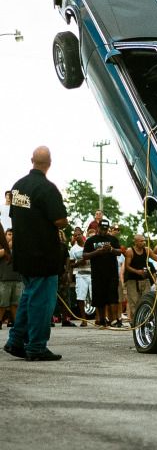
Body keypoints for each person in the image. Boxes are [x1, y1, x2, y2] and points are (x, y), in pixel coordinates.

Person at [4, 146, 68, 361]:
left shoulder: (17, 187)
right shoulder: (47, 188)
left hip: (23, 254)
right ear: (49, 163)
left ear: (32, 160)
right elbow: (60, 220)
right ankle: (37, 347)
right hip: (43, 255)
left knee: (28, 298)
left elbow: (15, 215)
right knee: (42, 303)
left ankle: (15, 341)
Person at [82, 218, 121, 327]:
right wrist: (97, 252)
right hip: (97, 273)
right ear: (98, 228)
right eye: (102, 228)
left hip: (112, 273)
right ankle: (102, 319)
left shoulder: (113, 239)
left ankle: (114, 320)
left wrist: (111, 249)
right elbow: (84, 256)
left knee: (113, 296)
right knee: (99, 298)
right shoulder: (90, 240)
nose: (104, 231)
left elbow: (119, 252)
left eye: (106, 228)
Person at [124, 234, 157, 326]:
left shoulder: (147, 250)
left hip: (145, 279)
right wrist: (137, 271)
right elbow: (127, 266)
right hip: (132, 280)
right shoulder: (130, 251)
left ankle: (145, 320)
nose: (144, 242)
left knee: (146, 299)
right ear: (136, 242)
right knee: (134, 301)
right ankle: (135, 321)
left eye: (144, 241)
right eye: (141, 241)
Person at [0, 228, 23, 329]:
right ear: (5, 236)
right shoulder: (2, 247)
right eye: (9, 234)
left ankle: (17, 324)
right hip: (4, 280)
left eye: (13, 234)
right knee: (2, 304)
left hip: (18, 280)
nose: (11, 236)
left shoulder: (20, 249)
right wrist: (7, 248)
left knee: (16, 304)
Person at [69, 228, 91, 327]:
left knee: (95, 296)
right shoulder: (73, 249)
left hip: (92, 274)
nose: (77, 236)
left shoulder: (89, 245)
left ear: (83, 234)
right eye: (75, 235)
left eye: (78, 234)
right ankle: (83, 319)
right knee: (80, 297)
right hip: (80, 275)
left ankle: (100, 318)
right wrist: (79, 263)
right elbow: (71, 264)